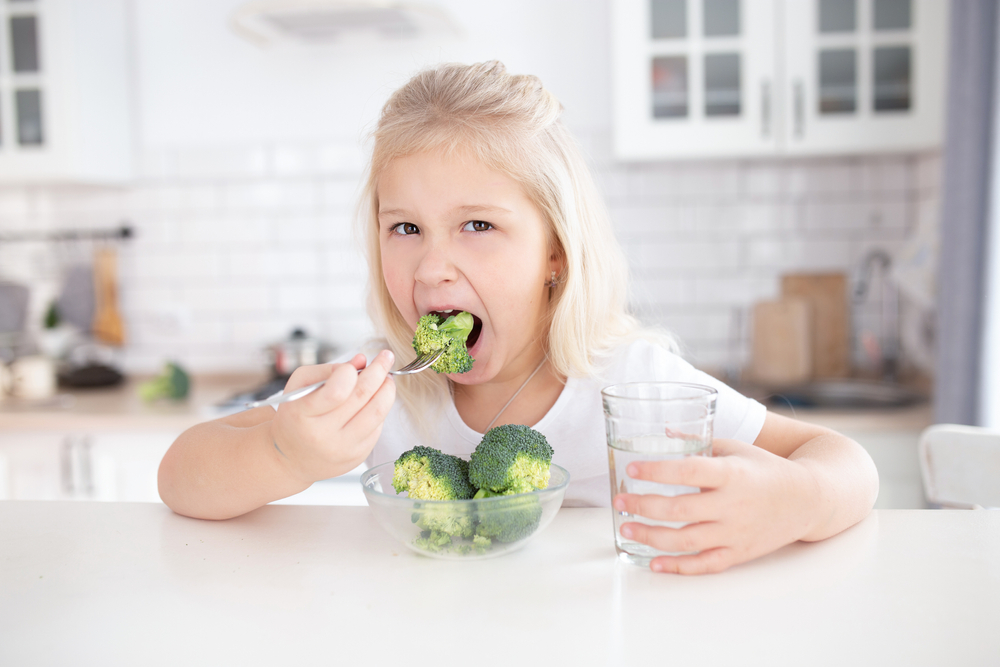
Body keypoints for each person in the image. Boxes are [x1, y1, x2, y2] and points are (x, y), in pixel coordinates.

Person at [158, 61, 879, 574]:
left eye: (476, 225)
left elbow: (845, 461)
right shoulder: (383, 388)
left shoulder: (628, 384)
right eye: (405, 228)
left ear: (556, 254)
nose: (432, 266)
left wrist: (798, 501)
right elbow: (180, 476)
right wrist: (284, 452)